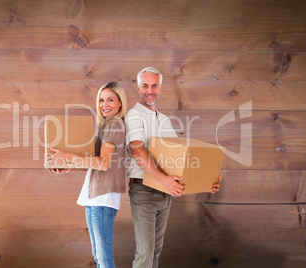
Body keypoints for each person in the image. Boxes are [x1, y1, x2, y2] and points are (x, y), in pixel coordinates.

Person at [125, 67, 221, 268]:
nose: (149, 90)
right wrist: (164, 179)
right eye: (145, 86)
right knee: (145, 254)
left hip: (164, 192)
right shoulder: (134, 116)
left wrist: (207, 179)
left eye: (154, 86)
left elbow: (179, 159)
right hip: (143, 191)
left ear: (160, 89)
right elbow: (137, 152)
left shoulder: (165, 121)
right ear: (138, 88)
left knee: (155, 252)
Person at [45, 81, 127, 268]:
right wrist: (69, 165)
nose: (104, 104)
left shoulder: (114, 125)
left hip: (102, 197)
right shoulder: (106, 125)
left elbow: (104, 164)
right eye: (101, 100)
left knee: (104, 259)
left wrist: (68, 156)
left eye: (110, 100)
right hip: (95, 195)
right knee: (99, 257)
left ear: (120, 103)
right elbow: (97, 162)